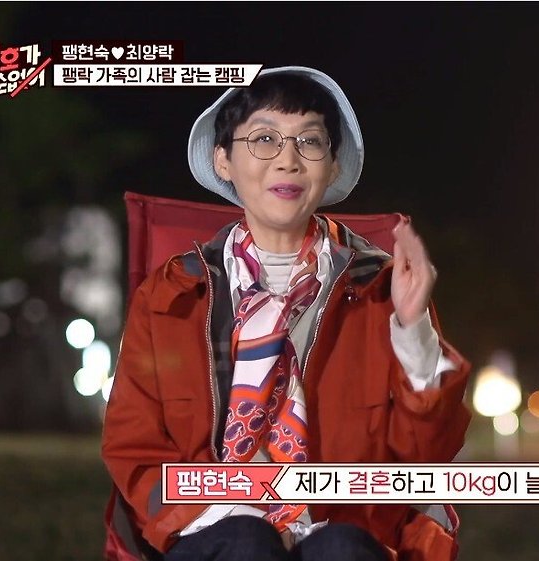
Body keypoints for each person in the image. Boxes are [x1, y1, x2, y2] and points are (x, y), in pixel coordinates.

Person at [101, 66, 471, 561]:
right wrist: (231, 514)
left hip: (344, 531)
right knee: (245, 542)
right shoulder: (169, 296)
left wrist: (413, 330)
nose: (288, 160)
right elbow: (134, 449)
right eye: (264, 139)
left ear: (332, 166)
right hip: (209, 531)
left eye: (310, 142)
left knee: (340, 547)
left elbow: (426, 459)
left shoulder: (385, 290)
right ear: (223, 160)